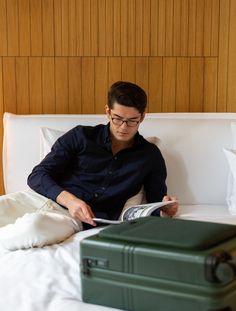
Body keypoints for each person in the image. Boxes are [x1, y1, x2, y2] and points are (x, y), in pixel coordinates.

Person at [0, 81, 177, 252]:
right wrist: (70, 200)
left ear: (143, 117)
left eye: (132, 121)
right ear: (108, 112)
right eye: (118, 119)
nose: (124, 127)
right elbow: (37, 175)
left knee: (32, 229)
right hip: (38, 198)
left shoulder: (150, 156)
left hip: (71, 218)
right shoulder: (81, 136)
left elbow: (155, 203)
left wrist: (166, 208)